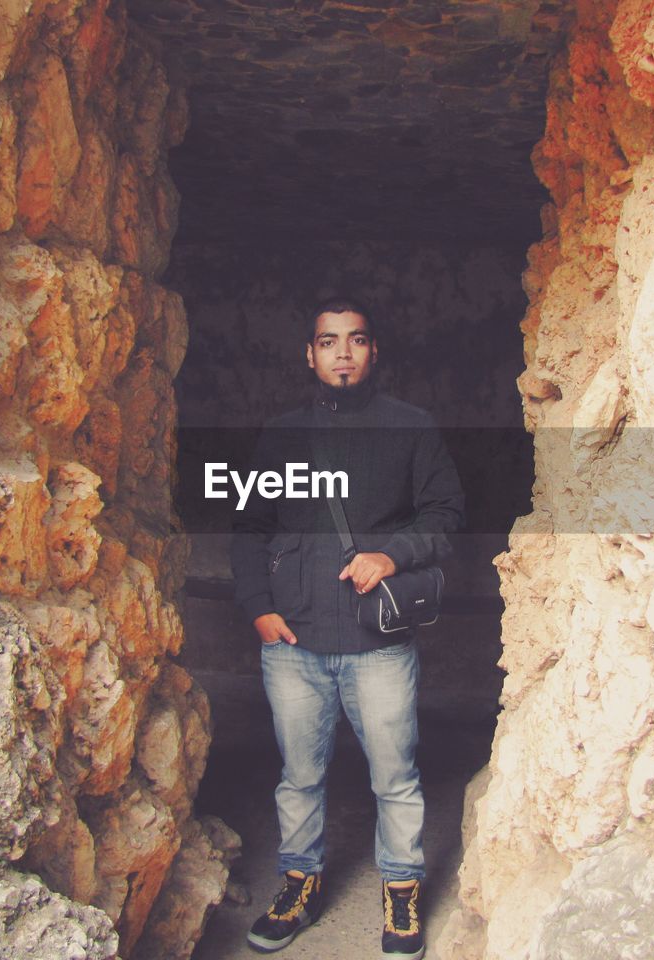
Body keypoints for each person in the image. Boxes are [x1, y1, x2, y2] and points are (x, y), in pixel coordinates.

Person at [230, 297, 465, 959]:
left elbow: (447, 514)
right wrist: (258, 608)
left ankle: (400, 890)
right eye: (328, 341)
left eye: (356, 340)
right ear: (309, 354)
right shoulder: (279, 435)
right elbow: (249, 527)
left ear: (372, 352)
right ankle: (298, 884)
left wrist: (395, 554)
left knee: (395, 778)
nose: (342, 352)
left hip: (377, 644)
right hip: (294, 643)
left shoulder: (411, 427)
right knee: (299, 777)